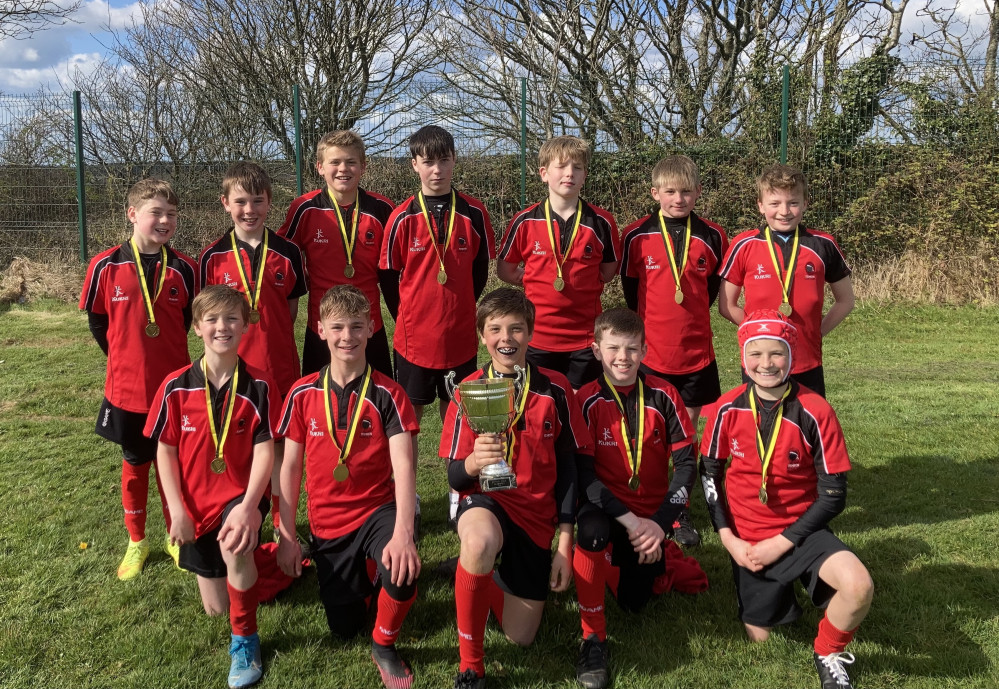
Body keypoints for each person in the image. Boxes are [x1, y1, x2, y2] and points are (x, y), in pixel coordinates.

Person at [699, 310, 873, 689]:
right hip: (747, 540)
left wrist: (781, 543)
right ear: (743, 358)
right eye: (755, 353)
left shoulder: (816, 410)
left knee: (858, 587)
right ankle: (776, 590)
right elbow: (709, 475)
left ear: (791, 356)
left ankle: (827, 652)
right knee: (761, 639)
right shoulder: (725, 408)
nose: (766, 364)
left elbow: (833, 496)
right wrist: (730, 540)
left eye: (776, 353)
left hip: (800, 533)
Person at [439, 288, 592, 689]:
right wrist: (474, 460)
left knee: (520, 636)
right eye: (495, 329)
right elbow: (456, 477)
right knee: (477, 542)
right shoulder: (467, 389)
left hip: (536, 514)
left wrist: (564, 543)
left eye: (516, 329)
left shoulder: (555, 389)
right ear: (481, 335)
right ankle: (470, 667)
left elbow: (570, 470)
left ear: (531, 332)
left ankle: (474, 576)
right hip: (486, 501)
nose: (506, 338)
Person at [276, 285, 421, 689]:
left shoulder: (389, 394)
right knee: (344, 627)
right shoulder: (302, 393)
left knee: (402, 569)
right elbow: (288, 469)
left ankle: (384, 644)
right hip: (328, 522)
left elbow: (404, 466)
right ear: (320, 329)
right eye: (337, 327)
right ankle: (366, 578)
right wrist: (287, 534)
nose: (347, 337)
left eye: (357, 326)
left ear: (372, 328)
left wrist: (404, 534)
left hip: (378, 510)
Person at [144, 285, 279, 689]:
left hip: (239, 498)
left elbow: (265, 453)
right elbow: (164, 452)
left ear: (245, 326)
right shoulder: (175, 386)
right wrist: (178, 511)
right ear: (197, 328)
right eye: (213, 320)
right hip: (193, 506)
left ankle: (246, 642)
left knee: (235, 545)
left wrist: (250, 506)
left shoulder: (260, 386)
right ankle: (278, 565)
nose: (223, 327)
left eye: (232, 318)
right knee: (215, 608)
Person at [573, 308, 698, 689]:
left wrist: (659, 526)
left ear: (645, 350)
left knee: (636, 602)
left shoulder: (665, 394)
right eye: (613, 348)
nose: (622, 358)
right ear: (596, 350)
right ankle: (592, 636)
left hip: (652, 519)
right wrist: (633, 523)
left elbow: (687, 466)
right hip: (609, 512)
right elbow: (585, 478)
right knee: (591, 531)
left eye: (631, 349)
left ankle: (609, 566)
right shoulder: (586, 399)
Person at [79, 178, 197, 580]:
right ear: (132, 214)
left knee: (173, 466)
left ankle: (174, 537)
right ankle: (136, 541)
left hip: (173, 391)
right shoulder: (104, 266)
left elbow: (185, 323)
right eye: (155, 213)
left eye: (171, 215)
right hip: (127, 390)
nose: (164, 221)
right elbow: (98, 322)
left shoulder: (184, 268)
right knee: (135, 464)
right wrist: (124, 358)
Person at [380, 124, 495, 525]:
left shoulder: (475, 213)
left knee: (460, 419)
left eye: (444, 160)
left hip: (460, 339)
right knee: (408, 423)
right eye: (428, 161)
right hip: (413, 341)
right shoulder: (401, 217)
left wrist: (460, 306)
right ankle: (406, 496)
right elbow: (389, 277)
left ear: (454, 161)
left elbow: (479, 272)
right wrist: (409, 316)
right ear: (414, 165)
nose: (437, 170)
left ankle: (457, 493)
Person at [619, 154, 729, 547]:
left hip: (696, 355)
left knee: (688, 435)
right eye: (670, 191)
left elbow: (711, 291)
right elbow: (632, 294)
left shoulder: (714, 236)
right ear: (655, 193)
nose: (678, 199)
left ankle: (678, 510)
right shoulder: (636, 236)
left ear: (698, 192)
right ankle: (648, 500)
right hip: (651, 356)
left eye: (686, 191)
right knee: (650, 435)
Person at [200, 161, 307, 531]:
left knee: (278, 450)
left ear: (269, 202)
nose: (250, 210)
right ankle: (240, 517)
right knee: (236, 446)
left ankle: (281, 525)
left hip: (279, 369)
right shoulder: (212, 257)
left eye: (257, 201)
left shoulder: (290, 252)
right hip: (231, 372)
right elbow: (209, 318)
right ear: (225, 203)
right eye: (241, 202)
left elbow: (289, 310)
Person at [718, 164, 854, 398]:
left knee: (808, 426)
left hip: (806, 360)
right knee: (763, 428)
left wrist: (817, 332)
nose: (784, 211)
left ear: (805, 203)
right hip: (761, 363)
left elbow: (845, 301)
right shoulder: (744, 245)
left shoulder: (823, 244)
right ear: (760, 206)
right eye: (775, 203)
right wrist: (756, 332)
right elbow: (726, 306)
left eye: (792, 202)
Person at [497, 135, 620, 389]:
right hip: (537, 337)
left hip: (585, 339)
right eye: (561, 166)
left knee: (582, 407)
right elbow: (505, 269)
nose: (569, 174)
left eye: (577, 167)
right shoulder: (524, 221)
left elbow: (608, 272)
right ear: (544, 173)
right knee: (539, 404)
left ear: (585, 175)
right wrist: (531, 278)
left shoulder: (601, 222)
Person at [278, 130, 397, 376]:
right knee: (320, 399)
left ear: (363, 167)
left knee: (378, 397)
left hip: (368, 324)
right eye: (335, 162)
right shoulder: (304, 208)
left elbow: (396, 268)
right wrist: (302, 280)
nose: (343, 169)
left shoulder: (383, 208)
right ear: (320, 167)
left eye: (351, 162)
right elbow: (282, 254)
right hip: (322, 325)